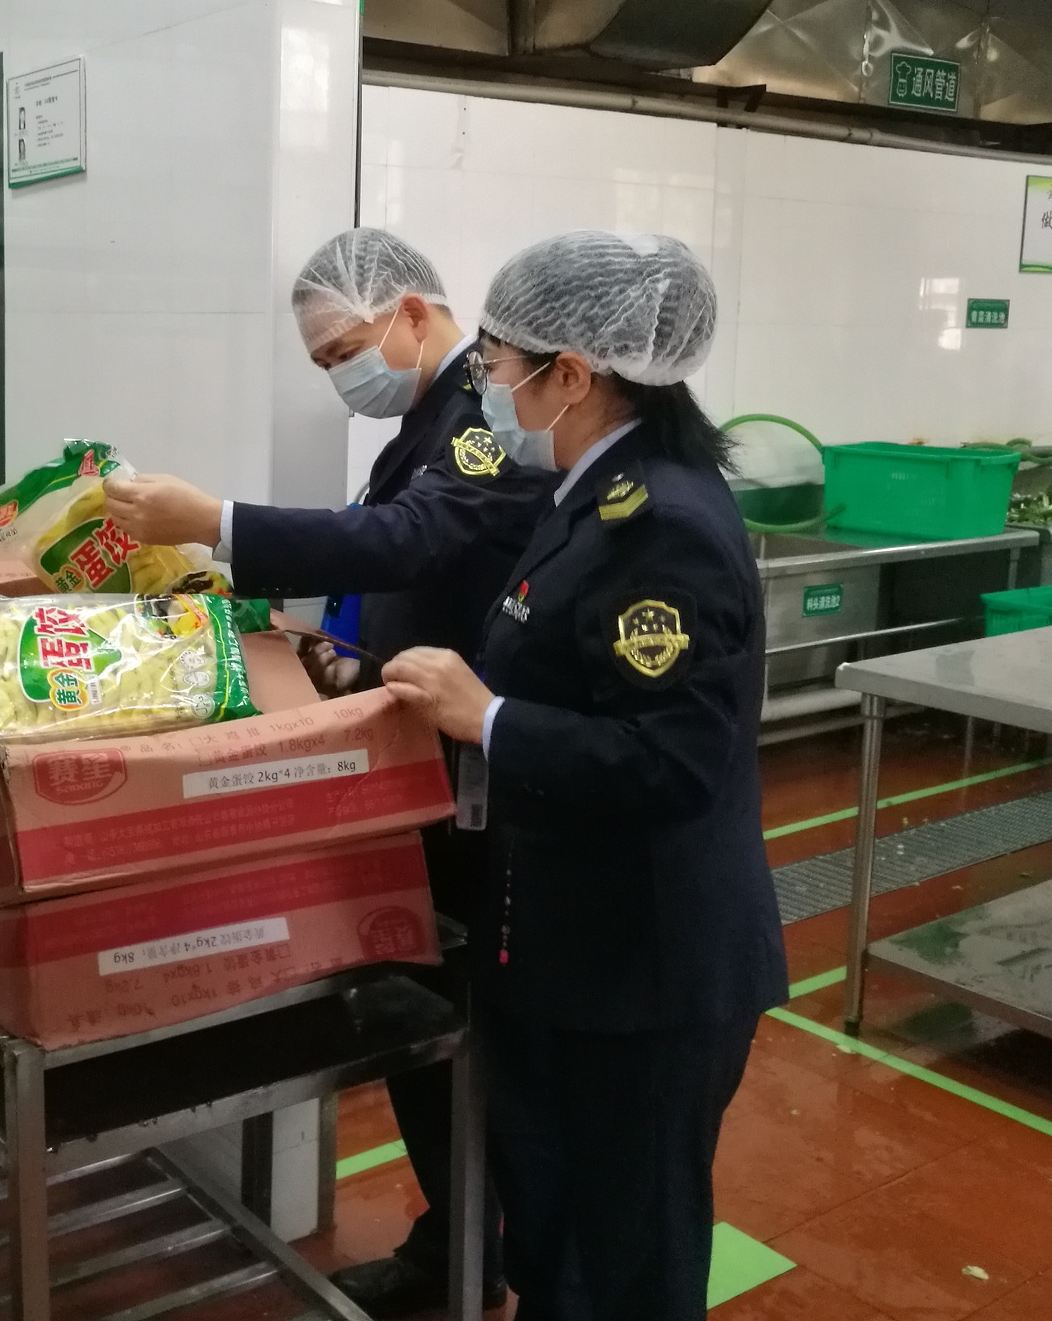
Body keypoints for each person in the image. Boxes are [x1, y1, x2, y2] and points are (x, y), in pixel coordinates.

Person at [104, 227, 546, 1315]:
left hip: (470, 773)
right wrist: (327, 647)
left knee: (453, 1009)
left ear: (408, 311)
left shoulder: (480, 416)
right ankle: (457, 1245)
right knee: (422, 1001)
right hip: (413, 742)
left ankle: (478, 1254)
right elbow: (392, 552)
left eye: (341, 349)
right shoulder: (428, 417)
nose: (339, 377)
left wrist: (216, 522)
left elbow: (412, 541)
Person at [381, 232, 787, 1321]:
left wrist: (490, 716)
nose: (486, 383)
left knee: (630, 1260)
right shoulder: (586, 490)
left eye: (500, 360)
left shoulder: (661, 523)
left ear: (573, 375)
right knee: (557, 1241)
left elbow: (674, 760)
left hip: (646, 973)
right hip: (568, 944)